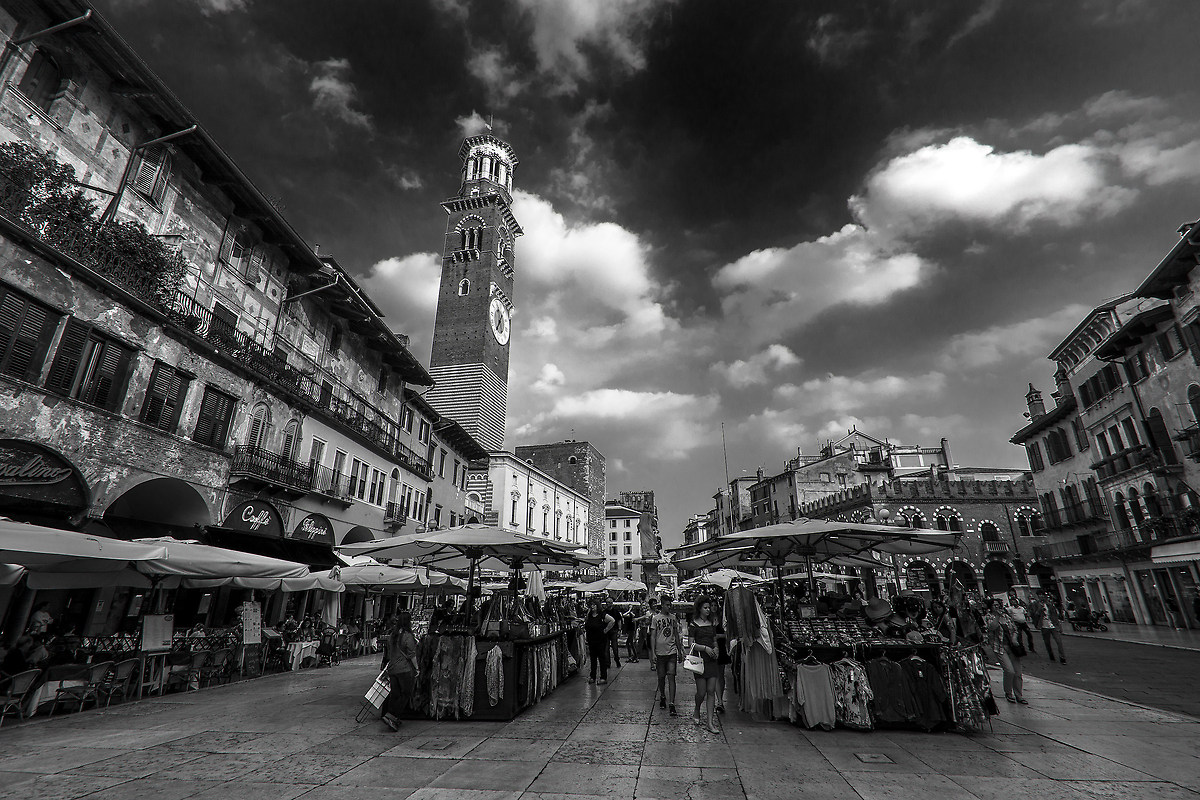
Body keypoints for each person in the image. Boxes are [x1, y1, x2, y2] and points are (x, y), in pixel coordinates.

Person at [688, 597, 722, 734]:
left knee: (711, 691)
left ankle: (710, 722)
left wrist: (716, 649)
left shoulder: (711, 624)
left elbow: (714, 641)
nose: (708, 610)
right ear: (699, 609)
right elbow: (691, 644)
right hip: (699, 660)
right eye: (706, 608)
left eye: (709, 607)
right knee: (701, 692)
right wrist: (705, 648)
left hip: (712, 660)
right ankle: (697, 709)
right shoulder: (693, 625)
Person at [380, 612, 418, 732]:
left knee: (395, 693)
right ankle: (393, 715)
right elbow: (412, 654)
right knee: (406, 693)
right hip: (404, 669)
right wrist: (417, 668)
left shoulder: (393, 635)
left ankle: (390, 715)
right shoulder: (407, 636)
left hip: (392, 668)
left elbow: (389, 651)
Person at [984, 598, 1026, 704]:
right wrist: (998, 616)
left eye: (998, 604)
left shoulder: (1006, 616)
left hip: (1012, 647)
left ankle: (1019, 695)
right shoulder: (989, 617)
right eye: (994, 605)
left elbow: (1015, 629)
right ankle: (1008, 692)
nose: (997, 607)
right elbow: (991, 627)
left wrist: (1014, 638)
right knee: (1009, 670)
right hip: (999, 647)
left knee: (1017, 672)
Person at [648, 598, 680, 715]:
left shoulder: (673, 618)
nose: (669, 607)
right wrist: (653, 652)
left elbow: (676, 634)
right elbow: (653, 636)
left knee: (671, 677)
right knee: (661, 677)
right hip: (660, 652)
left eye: (670, 604)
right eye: (667, 605)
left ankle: (672, 703)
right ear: (662, 605)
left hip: (671, 652)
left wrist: (680, 650)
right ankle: (662, 695)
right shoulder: (656, 619)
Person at [583, 598, 616, 684]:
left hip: (600, 640)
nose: (592, 606)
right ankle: (592, 676)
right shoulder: (589, 615)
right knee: (593, 659)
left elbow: (612, 621)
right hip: (591, 640)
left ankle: (603, 677)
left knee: (602, 658)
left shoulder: (602, 615)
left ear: (598, 606)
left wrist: (605, 630)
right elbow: (586, 624)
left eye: (594, 605)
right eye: (591, 605)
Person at [1030, 592, 1067, 664]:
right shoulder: (1035, 604)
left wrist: (1059, 626)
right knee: (1047, 642)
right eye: (1040, 596)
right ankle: (1051, 655)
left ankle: (1062, 658)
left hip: (1052, 625)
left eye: (1043, 596)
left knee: (1059, 642)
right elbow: (1034, 615)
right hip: (1044, 625)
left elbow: (1055, 615)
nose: (1042, 598)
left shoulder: (1049, 604)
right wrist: (1039, 610)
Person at [606, 601, 623, 667]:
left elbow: (619, 621)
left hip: (614, 630)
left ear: (612, 603)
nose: (608, 604)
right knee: (606, 648)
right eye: (607, 602)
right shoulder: (604, 612)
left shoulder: (616, 612)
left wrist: (619, 629)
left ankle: (617, 659)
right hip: (607, 631)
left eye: (610, 602)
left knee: (615, 647)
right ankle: (608, 663)